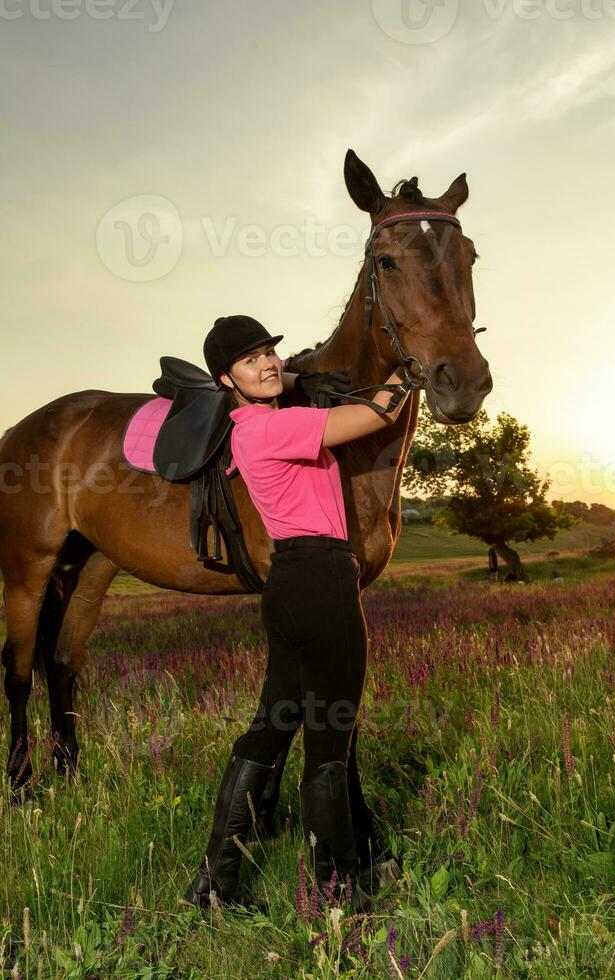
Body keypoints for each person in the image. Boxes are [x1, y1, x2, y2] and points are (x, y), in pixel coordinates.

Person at [184, 314, 411, 914]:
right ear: (226, 379)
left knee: (270, 726)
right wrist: (406, 367)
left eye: (269, 353)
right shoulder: (271, 428)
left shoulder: (249, 430)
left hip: (287, 585)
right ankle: (340, 897)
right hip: (324, 585)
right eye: (250, 360)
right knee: (329, 745)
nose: (268, 364)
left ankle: (216, 884)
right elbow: (375, 415)